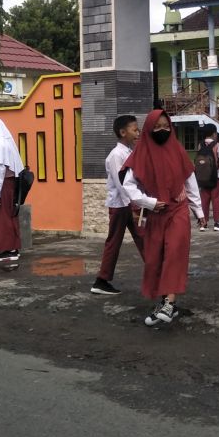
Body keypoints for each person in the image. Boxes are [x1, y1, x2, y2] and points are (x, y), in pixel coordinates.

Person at [119, 109, 207, 326]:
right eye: (157, 127)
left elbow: (190, 181)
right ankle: (166, 303)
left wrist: (200, 211)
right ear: (149, 129)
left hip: (178, 210)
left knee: (175, 253)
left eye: (166, 127)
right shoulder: (141, 153)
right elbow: (128, 185)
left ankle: (169, 303)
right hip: (156, 213)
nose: (162, 131)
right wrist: (149, 202)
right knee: (156, 257)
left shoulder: (177, 150)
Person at [91, 115, 145, 296]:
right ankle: (101, 280)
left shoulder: (128, 152)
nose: (138, 132)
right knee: (114, 242)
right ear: (123, 132)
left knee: (143, 237)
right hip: (121, 205)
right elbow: (121, 184)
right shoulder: (116, 155)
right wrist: (134, 207)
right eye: (134, 129)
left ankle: (156, 272)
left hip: (129, 204)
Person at [0, 118, 25, 262]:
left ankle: (8, 250)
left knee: (2, 218)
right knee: (10, 215)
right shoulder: (7, 140)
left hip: (3, 186)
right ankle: (13, 248)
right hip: (11, 184)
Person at [196, 123, 219, 231]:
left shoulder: (200, 145)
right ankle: (217, 223)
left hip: (202, 178)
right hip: (215, 177)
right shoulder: (216, 145)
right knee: (216, 200)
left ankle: (203, 223)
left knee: (204, 200)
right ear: (214, 134)